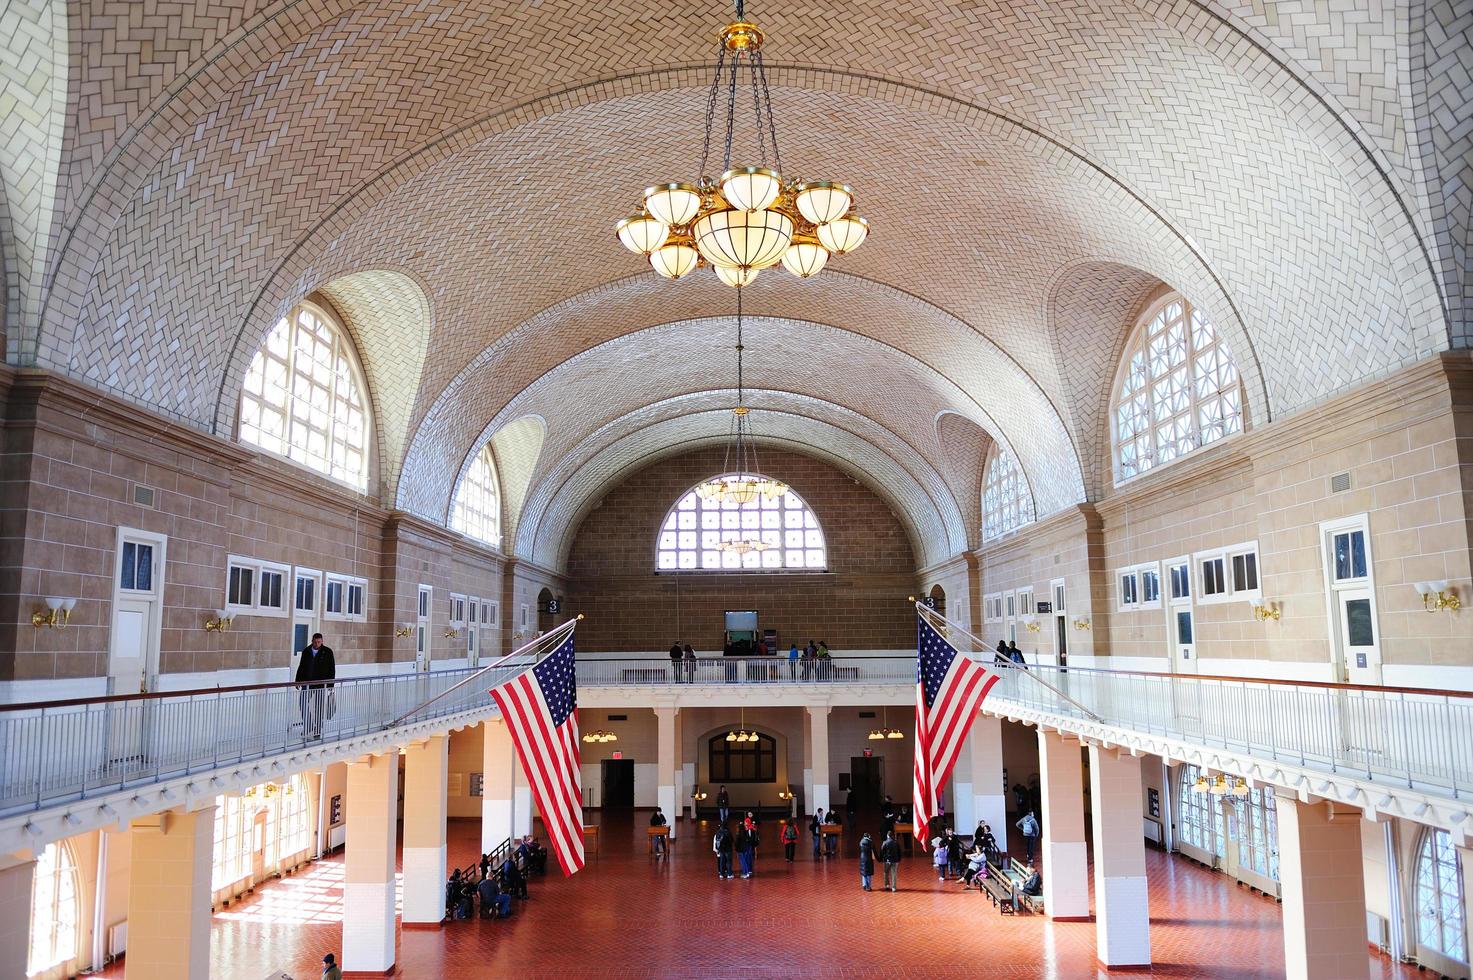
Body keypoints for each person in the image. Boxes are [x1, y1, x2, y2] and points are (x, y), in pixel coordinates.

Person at [295, 632, 336, 739]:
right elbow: (301, 666)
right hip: (307, 682)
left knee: (319, 707)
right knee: (303, 703)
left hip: (320, 684)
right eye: (315, 642)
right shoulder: (306, 651)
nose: (317, 644)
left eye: (319, 642)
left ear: (322, 641)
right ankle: (308, 726)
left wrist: (331, 684)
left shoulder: (327, 652)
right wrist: (298, 680)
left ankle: (317, 729)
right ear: (312, 641)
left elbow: (332, 668)